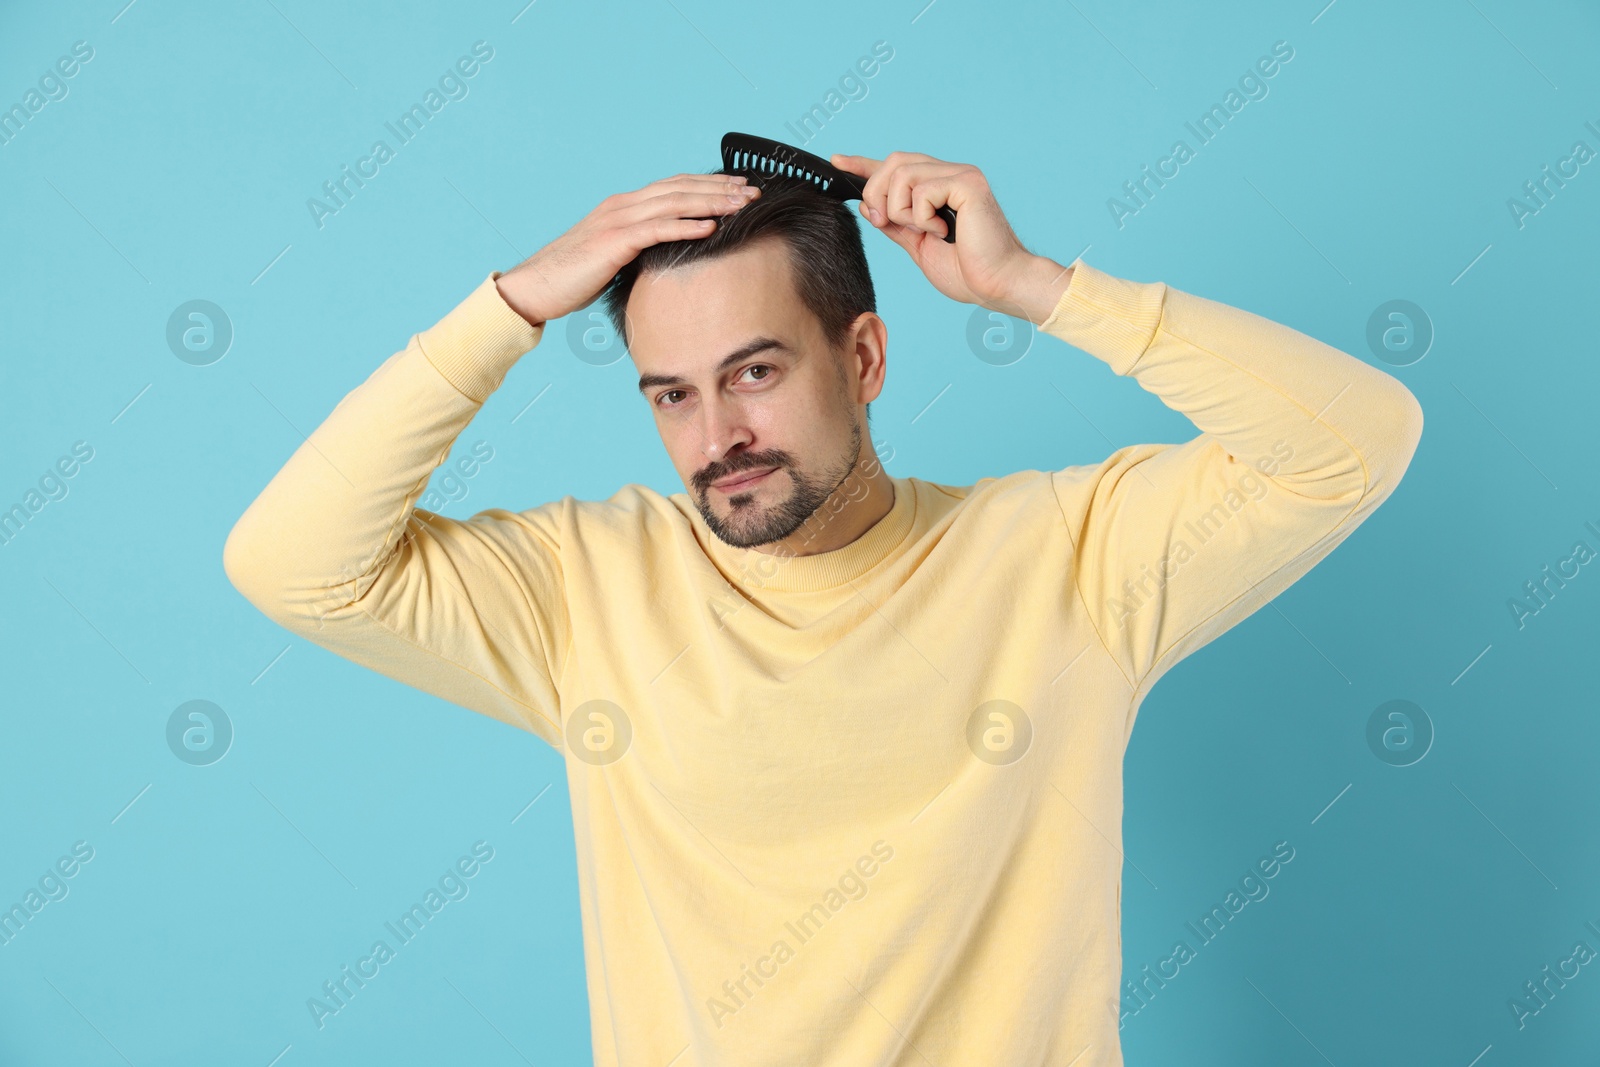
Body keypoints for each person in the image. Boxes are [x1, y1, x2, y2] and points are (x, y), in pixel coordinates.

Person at [223, 149, 1423, 1066]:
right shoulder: (584, 589)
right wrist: (514, 305)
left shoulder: (1067, 557)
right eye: (672, 395)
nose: (718, 438)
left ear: (862, 359)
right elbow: (292, 562)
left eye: (754, 372)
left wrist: (1034, 285)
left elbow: (1353, 443)